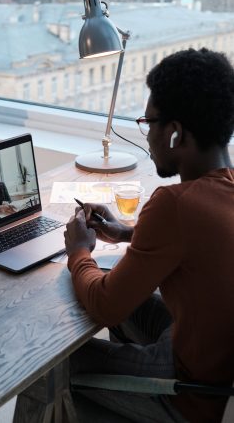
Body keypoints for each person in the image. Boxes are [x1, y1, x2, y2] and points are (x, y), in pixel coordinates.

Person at [64, 48, 234, 423]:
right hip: (208, 357)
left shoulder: (174, 203)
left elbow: (105, 305)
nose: (147, 133)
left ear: (174, 134)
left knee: (49, 364)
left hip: (188, 394)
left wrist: (79, 252)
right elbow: (201, 242)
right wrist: (126, 232)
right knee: (125, 294)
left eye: (148, 122)